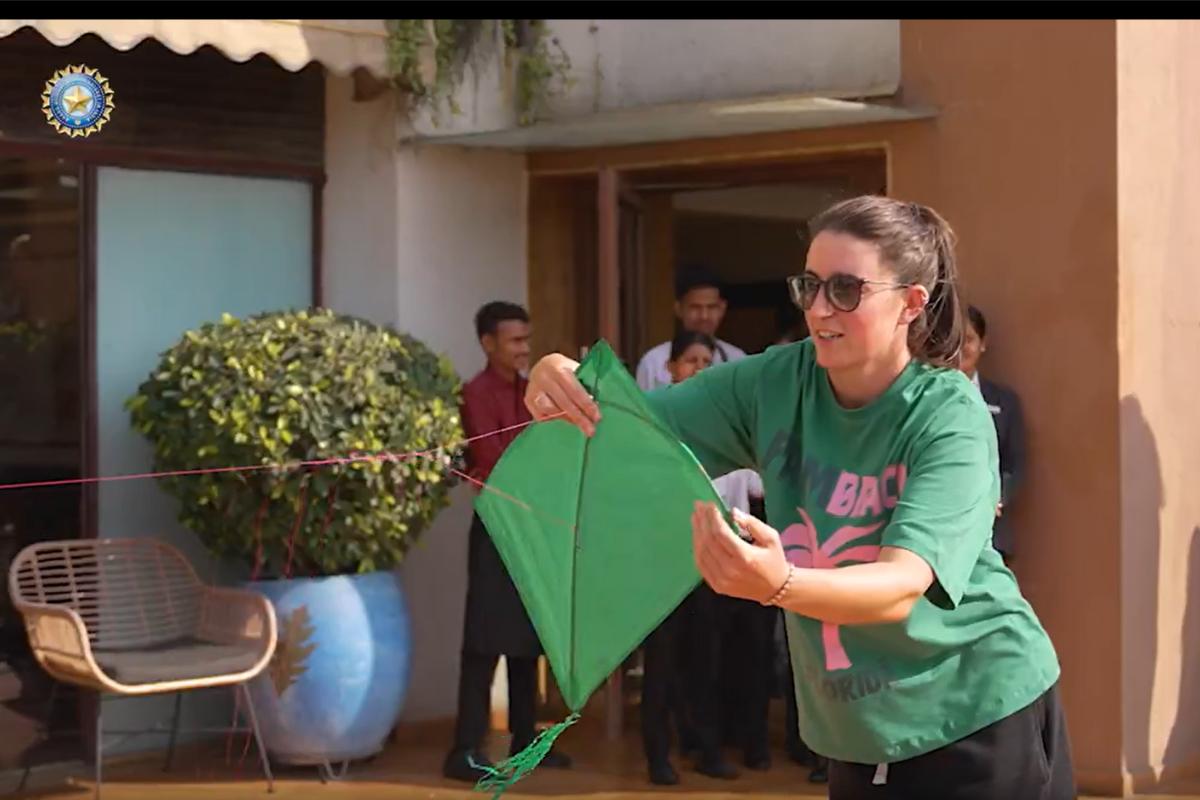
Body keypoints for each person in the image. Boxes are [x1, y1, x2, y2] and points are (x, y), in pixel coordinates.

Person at [523, 196, 1074, 800]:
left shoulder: (949, 415)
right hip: (857, 734)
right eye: (809, 286)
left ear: (911, 303)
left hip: (977, 712)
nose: (818, 308)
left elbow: (899, 585)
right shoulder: (777, 381)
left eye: (845, 289)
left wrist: (778, 585)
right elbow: (629, 434)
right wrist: (563, 380)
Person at [442, 301, 571, 782]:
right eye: (514, 341)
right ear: (488, 343)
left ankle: (526, 739)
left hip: (536, 527)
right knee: (483, 641)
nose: (523, 350)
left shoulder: (530, 390)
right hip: (498, 527)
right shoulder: (474, 394)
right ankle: (464, 749)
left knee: (528, 639)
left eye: (526, 340)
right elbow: (496, 461)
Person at [960, 305, 1027, 565]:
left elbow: (1016, 462)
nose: (961, 348)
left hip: (992, 532)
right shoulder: (928, 397)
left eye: (968, 340)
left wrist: (995, 497)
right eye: (954, 340)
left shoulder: (1004, 401)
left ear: (982, 344)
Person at [635, 266, 747, 391]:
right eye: (695, 307)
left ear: (722, 308)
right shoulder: (654, 362)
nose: (704, 316)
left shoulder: (737, 359)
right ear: (678, 308)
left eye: (711, 307)